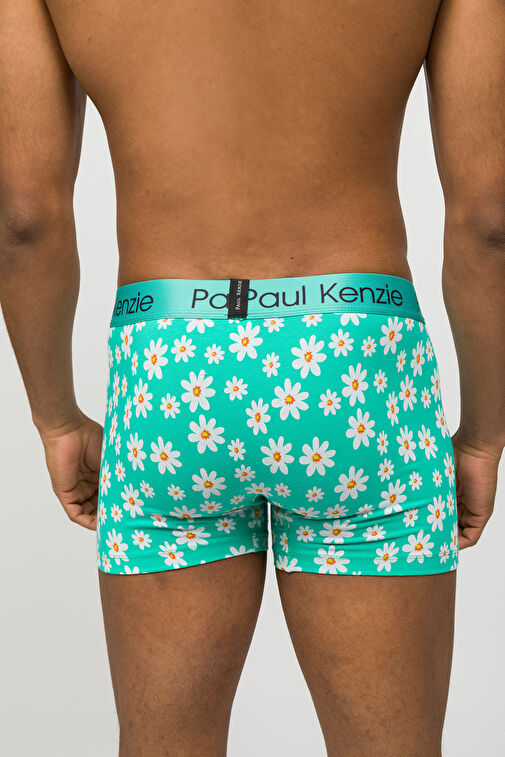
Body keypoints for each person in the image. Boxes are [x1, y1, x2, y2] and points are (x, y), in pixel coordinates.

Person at [1, 0, 503, 755]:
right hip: (356, 361)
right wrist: (485, 432)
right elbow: (490, 218)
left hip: (170, 365)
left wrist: (56, 416)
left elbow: (23, 217)